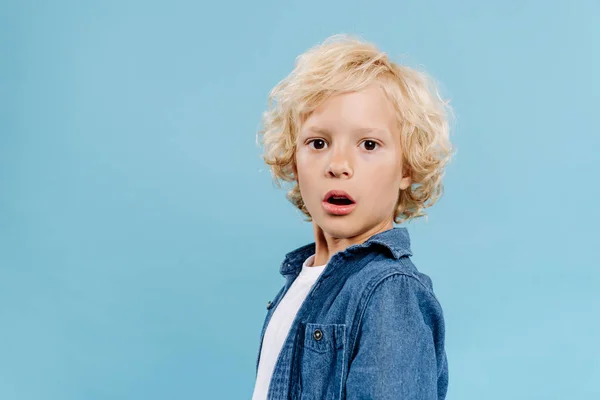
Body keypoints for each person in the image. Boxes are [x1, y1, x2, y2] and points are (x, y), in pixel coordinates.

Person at [252, 33, 454, 400]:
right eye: (318, 143)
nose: (339, 166)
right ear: (294, 160)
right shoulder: (300, 282)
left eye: (369, 145)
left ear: (406, 167)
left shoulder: (390, 293)